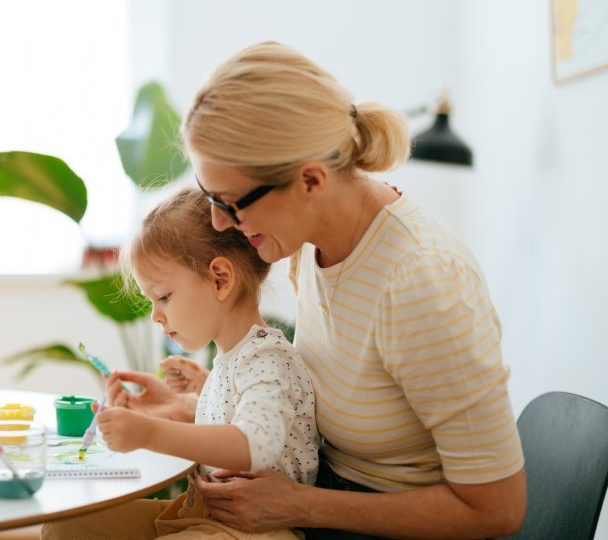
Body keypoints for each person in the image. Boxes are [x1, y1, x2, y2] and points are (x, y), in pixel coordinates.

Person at [99, 40, 526, 540]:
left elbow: (496, 510)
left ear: (310, 180)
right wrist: (198, 408)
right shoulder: (304, 245)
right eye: (210, 195)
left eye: (231, 202)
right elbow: (311, 409)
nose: (220, 221)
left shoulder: (421, 283)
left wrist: (303, 507)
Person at [42, 187, 320, 540]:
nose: (156, 316)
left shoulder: (268, 357)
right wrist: (198, 391)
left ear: (220, 279)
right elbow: (246, 408)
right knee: (66, 527)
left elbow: (255, 444)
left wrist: (148, 433)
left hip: (259, 530)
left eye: (163, 297)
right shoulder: (235, 359)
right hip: (204, 514)